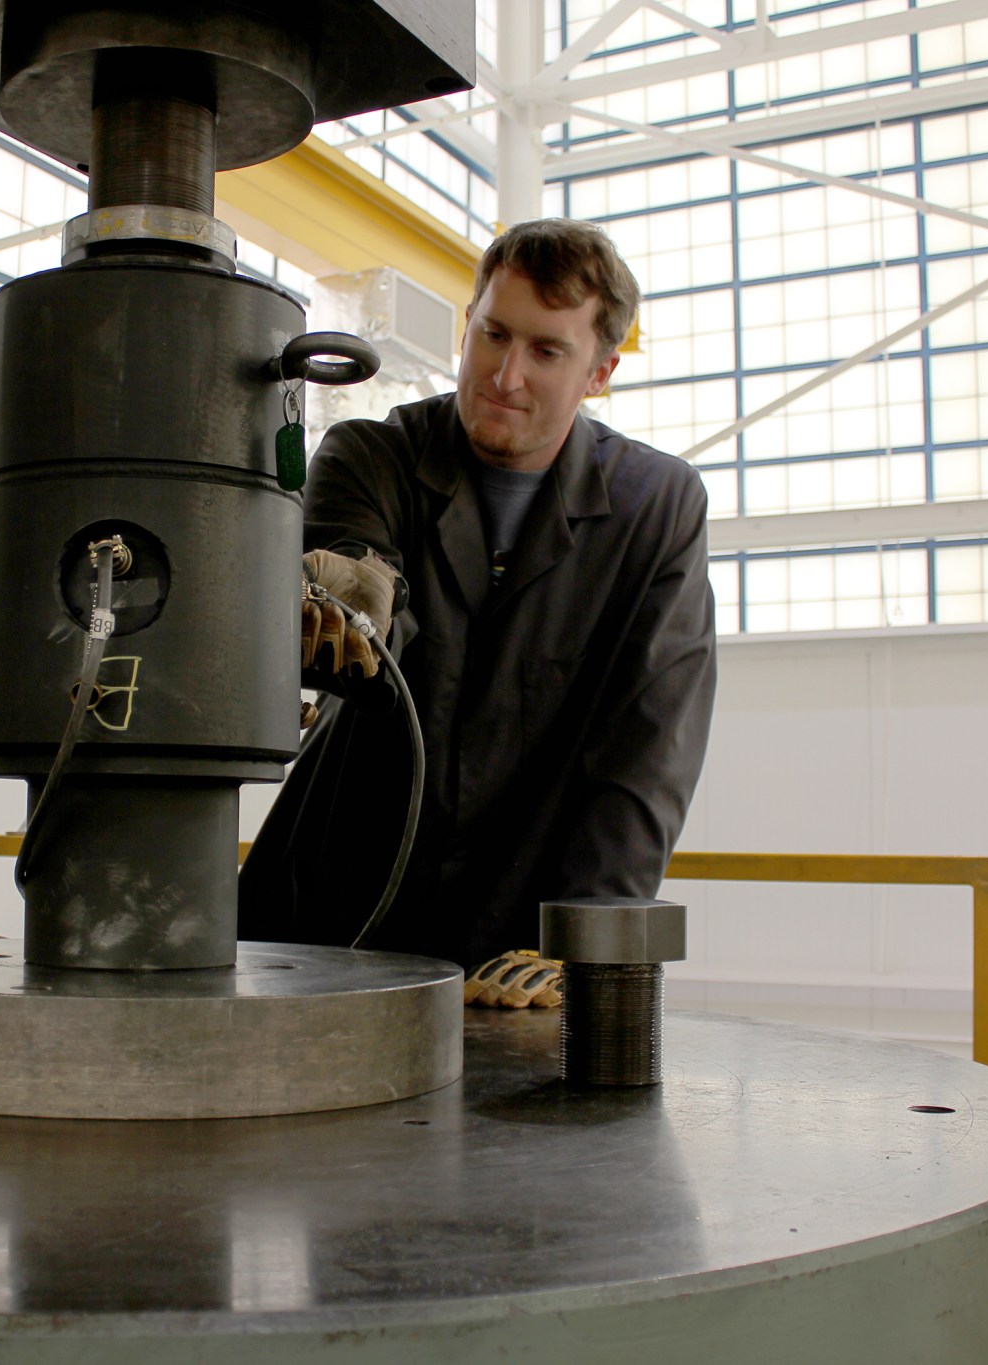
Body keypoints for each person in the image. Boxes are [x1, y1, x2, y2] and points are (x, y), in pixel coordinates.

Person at [239, 218, 717, 980]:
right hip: (323, 918)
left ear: (600, 371)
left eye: (546, 350)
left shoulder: (655, 508)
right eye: (493, 335)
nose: (505, 373)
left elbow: (649, 743)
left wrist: (591, 937)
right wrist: (356, 597)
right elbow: (361, 599)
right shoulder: (372, 455)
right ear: (469, 325)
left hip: (516, 942)